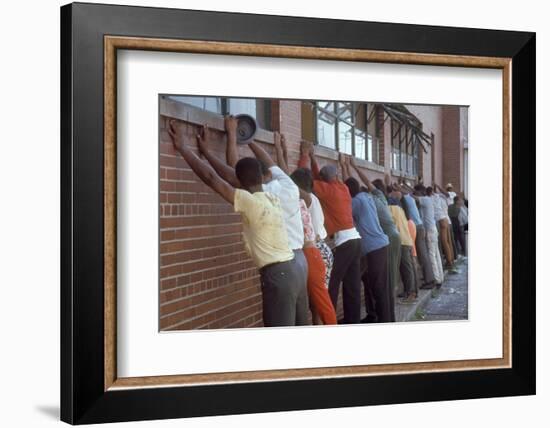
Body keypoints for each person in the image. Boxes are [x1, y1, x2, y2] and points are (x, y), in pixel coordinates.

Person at [168, 119, 308, 327]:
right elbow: (232, 175)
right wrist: (208, 152)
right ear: (264, 176)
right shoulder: (276, 196)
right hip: (297, 269)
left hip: (279, 275)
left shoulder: (251, 202)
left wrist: (184, 148)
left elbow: (212, 178)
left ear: (240, 184)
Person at [273, 135, 337, 326]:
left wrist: (279, 149)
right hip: (320, 250)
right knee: (316, 303)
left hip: (316, 252)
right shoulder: (310, 198)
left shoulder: (307, 198)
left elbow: (286, 180)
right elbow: (290, 178)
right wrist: (285, 152)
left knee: (320, 302)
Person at [298, 141, 363, 324]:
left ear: (324, 179)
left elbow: (304, 181)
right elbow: (320, 176)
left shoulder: (325, 190)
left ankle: (330, 322)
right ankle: (353, 322)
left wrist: (305, 156)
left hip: (345, 243)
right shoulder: (343, 188)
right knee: (352, 286)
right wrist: (313, 158)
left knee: (331, 284)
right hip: (356, 240)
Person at [347, 157, 400, 322]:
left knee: (380, 285)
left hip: (379, 243)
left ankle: (384, 320)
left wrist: (349, 167)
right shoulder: (376, 197)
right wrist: (351, 167)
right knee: (378, 283)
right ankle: (377, 315)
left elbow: (350, 192)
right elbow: (355, 185)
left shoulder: (358, 201)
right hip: (385, 240)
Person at [341, 170, 391, 323]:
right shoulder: (366, 196)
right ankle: (373, 315)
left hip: (373, 249)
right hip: (379, 245)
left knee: (377, 287)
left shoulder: (356, 202)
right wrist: (346, 168)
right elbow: (351, 186)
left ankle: (384, 321)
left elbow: (345, 207)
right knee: (369, 282)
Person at [393, 182, 436, 289]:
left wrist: (398, 187)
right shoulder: (409, 198)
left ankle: (429, 280)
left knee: (423, 256)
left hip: (417, 227)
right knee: (422, 255)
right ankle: (429, 279)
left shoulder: (407, 198)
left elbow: (407, 192)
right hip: (419, 226)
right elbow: (409, 191)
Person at [387, 195, 418, 304]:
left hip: (402, 241)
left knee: (406, 269)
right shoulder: (400, 209)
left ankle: (411, 293)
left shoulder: (389, 209)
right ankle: (409, 292)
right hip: (407, 240)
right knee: (407, 269)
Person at [414, 184, 444, 288]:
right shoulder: (432, 199)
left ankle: (436, 279)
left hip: (430, 231)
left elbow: (412, 197)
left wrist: (400, 188)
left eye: (417, 192)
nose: (416, 194)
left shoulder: (425, 200)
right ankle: (440, 277)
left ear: (421, 192)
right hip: (433, 229)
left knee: (431, 255)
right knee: (436, 254)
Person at [432, 184, 455, 268]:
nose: (449, 189)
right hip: (446, 220)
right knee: (447, 242)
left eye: (450, 188)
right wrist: (435, 188)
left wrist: (437, 185)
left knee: (445, 242)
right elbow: (436, 193)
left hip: (444, 220)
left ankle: (450, 261)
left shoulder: (451, 194)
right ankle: (450, 260)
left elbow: (446, 194)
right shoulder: (440, 196)